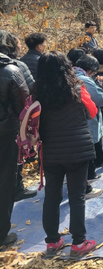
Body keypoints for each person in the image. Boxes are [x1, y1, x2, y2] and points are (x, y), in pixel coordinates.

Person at [35, 52, 98, 258]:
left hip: (51, 151)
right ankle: (79, 242)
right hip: (78, 149)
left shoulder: (37, 93)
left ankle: (52, 241)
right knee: (76, 196)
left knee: (51, 197)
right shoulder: (78, 88)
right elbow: (93, 112)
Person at [0, 30, 36, 202]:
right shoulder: (15, 68)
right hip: (8, 129)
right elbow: (24, 102)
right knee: (10, 168)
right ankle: (17, 189)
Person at [0, 45, 28, 248]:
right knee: (4, 180)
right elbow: (24, 107)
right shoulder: (10, 70)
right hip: (5, 133)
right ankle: (1, 233)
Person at [73, 55, 103, 189]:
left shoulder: (67, 75)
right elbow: (100, 99)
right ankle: (86, 182)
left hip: (67, 124)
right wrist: (98, 85)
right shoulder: (84, 80)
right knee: (87, 150)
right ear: (91, 70)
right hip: (85, 119)